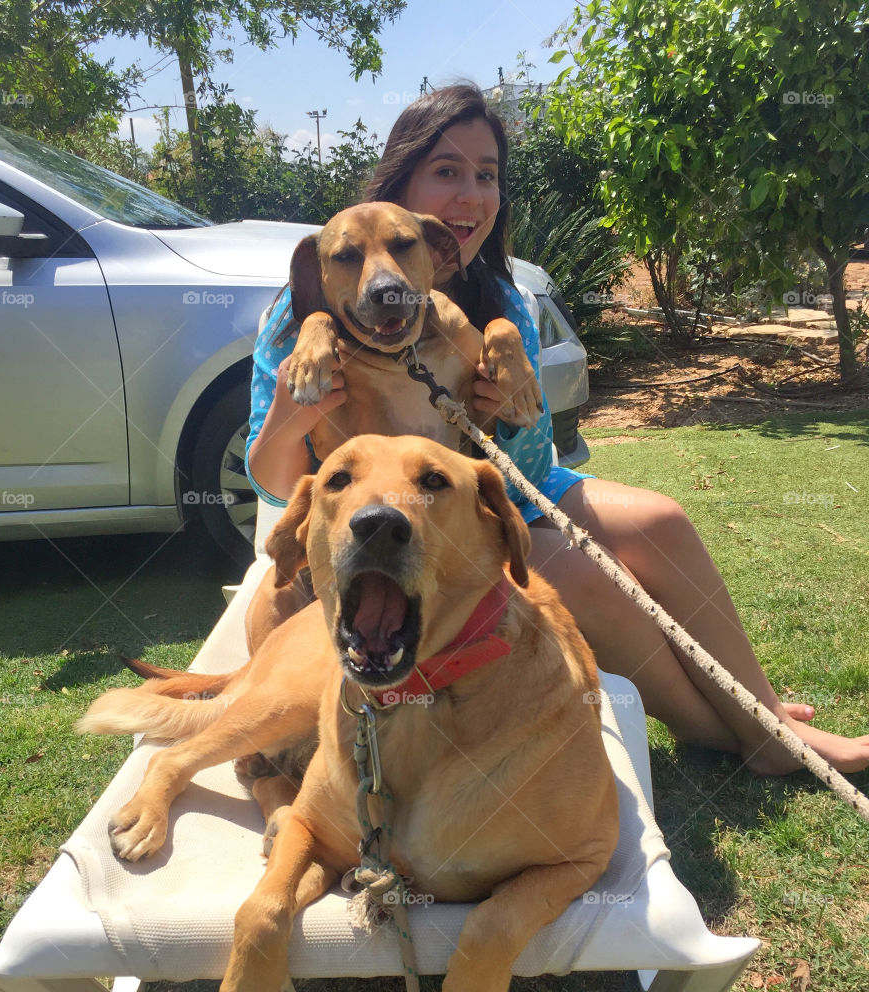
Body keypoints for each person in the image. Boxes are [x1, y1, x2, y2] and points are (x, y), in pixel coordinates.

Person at [246, 84, 869, 778]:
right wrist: (290, 412)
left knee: (660, 519)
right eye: (448, 171)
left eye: (487, 175)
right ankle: (744, 739)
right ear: (404, 183)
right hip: (429, 516)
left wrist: (505, 399)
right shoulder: (309, 315)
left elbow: (530, 455)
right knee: (574, 569)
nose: (473, 195)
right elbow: (273, 483)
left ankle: (762, 709)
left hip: (517, 484)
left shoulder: (503, 297)